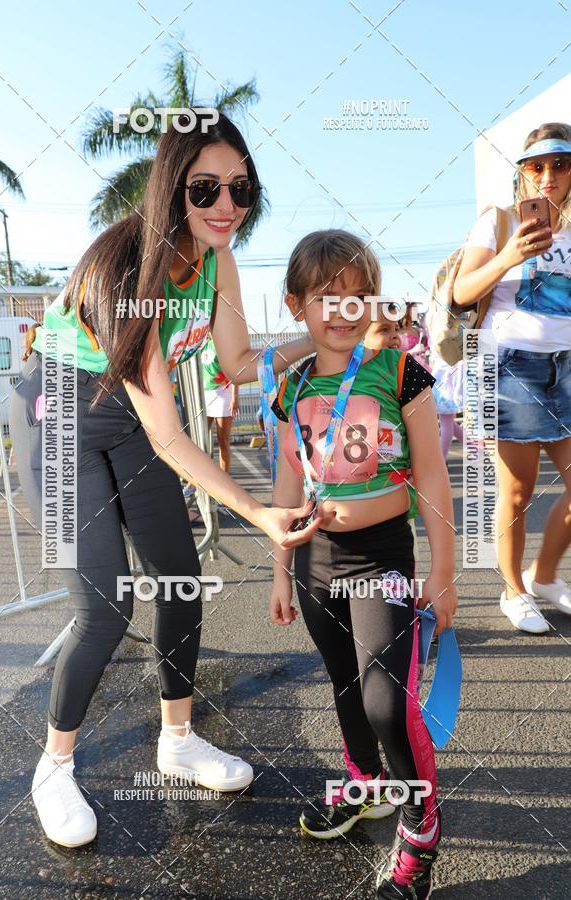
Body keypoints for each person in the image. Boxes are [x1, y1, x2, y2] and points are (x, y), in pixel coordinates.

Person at [9, 110, 322, 849]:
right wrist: (259, 512)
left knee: (180, 578)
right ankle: (54, 767)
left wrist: (324, 334)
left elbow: (238, 364)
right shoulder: (125, 267)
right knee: (105, 606)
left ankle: (176, 741)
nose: (226, 205)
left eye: (241, 189)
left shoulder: (218, 259)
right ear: (171, 187)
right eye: (205, 188)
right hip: (59, 415)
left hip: (126, 414)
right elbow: (171, 434)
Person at [269, 230, 457, 899]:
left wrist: (443, 573)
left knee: (386, 701)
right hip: (314, 561)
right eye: (327, 297)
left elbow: (431, 475)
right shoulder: (289, 387)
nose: (344, 310)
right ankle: (365, 783)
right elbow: (287, 482)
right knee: (345, 684)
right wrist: (279, 569)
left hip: (383, 558)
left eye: (357, 296)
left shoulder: (402, 372)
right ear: (296, 305)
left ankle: (420, 833)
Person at [453, 122, 571, 634]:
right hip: (510, 365)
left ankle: (543, 577)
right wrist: (510, 256)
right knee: (518, 492)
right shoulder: (499, 222)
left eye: (561, 164)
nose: (548, 176)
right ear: (522, 173)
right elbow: (462, 292)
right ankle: (514, 590)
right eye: (536, 165)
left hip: (567, 366)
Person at [201, 332, 239, 473]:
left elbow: (234, 372)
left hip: (223, 394)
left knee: (223, 440)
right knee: (200, 439)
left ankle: (224, 477)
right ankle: (198, 477)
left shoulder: (223, 346)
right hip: (205, 395)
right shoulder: (202, 345)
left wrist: (235, 397)